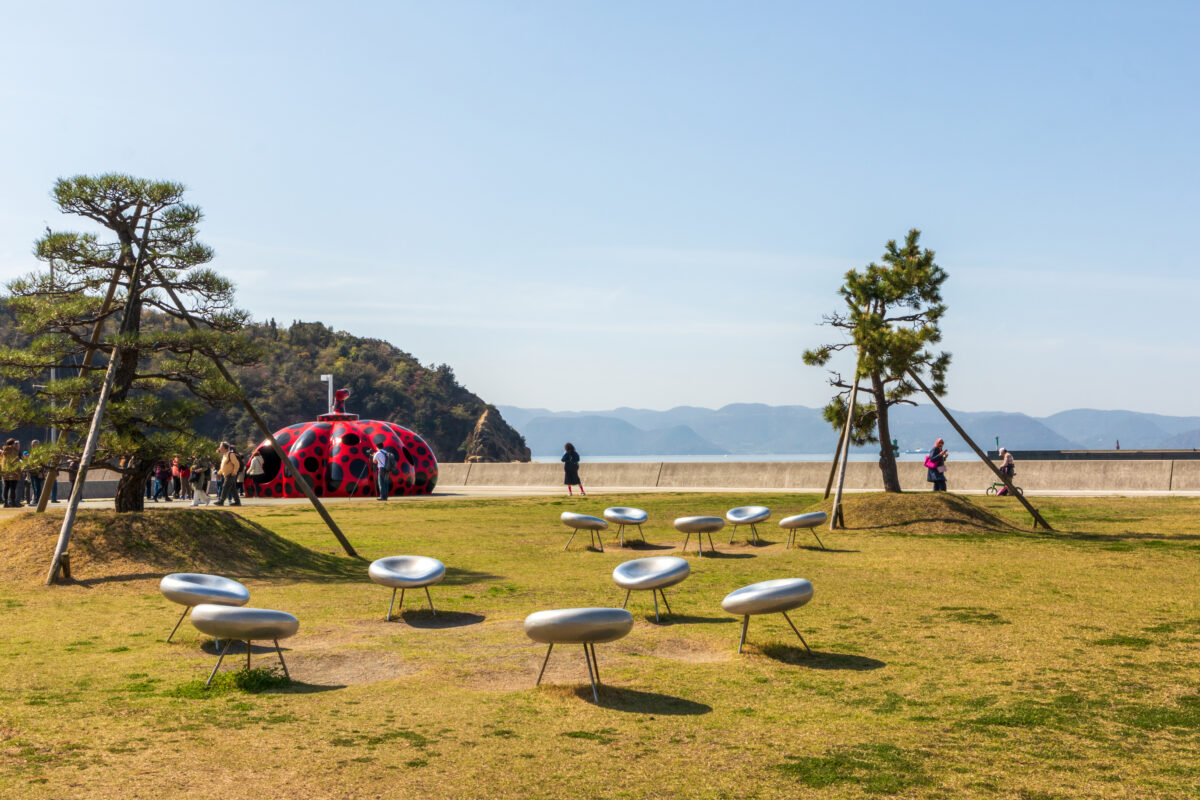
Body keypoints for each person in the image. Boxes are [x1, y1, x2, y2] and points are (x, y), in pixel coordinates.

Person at [214, 442, 242, 506]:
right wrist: (219, 473)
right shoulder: (224, 455)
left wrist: (234, 472)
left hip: (230, 474)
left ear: (225, 448)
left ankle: (221, 501)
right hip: (226, 474)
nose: (219, 448)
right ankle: (237, 502)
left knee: (225, 486)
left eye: (220, 447)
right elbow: (223, 466)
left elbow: (237, 464)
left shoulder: (230, 454)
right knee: (233, 489)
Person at [0, 439, 21, 507]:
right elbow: (15, 462)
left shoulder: (4, 451)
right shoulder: (13, 451)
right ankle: (13, 502)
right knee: (13, 488)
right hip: (13, 472)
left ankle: (5, 503)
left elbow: (3, 462)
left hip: (5, 472)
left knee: (6, 487)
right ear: (12, 444)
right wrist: (18, 471)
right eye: (14, 443)